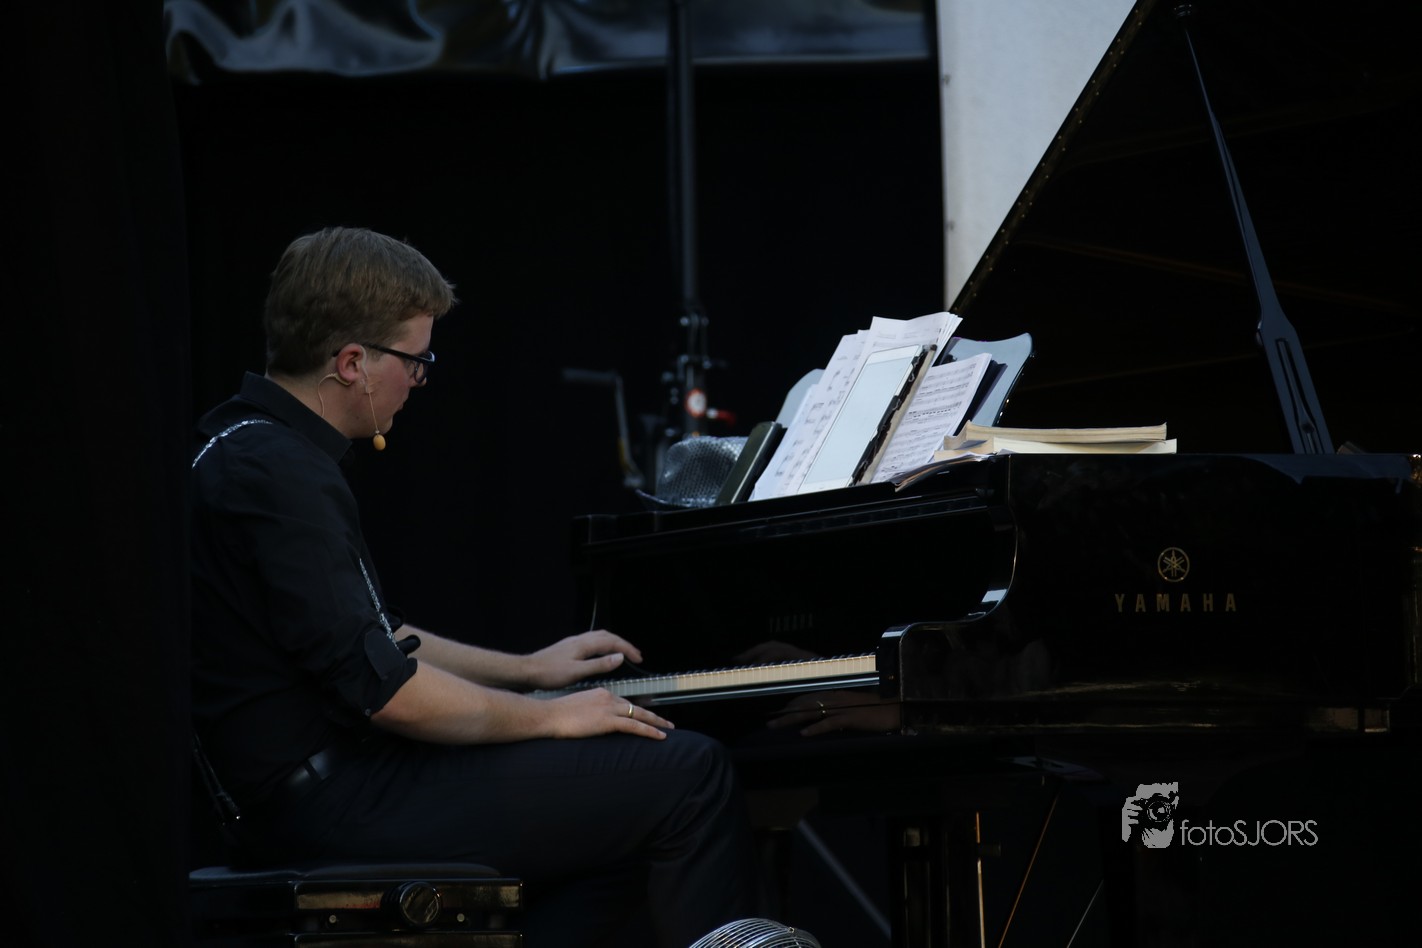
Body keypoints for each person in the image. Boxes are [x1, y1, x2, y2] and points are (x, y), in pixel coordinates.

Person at [189, 226, 757, 946]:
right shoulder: (281, 474)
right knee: (692, 774)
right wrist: (552, 717)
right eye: (415, 361)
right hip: (332, 802)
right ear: (353, 363)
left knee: (630, 819)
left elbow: (378, 638)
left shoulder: (241, 444)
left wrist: (530, 671)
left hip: (320, 788)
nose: (420, 380)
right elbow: (390, 693)